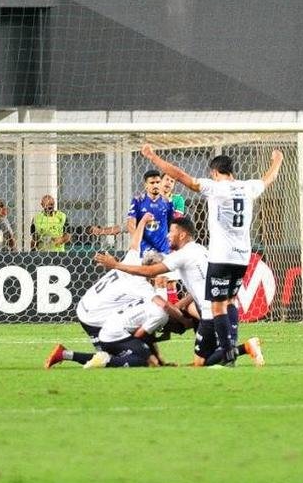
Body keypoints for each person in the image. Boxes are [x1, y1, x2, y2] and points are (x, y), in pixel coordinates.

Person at [141, 144, 283, 366]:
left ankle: (228, 353)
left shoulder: (216, 188)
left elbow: (180, 175)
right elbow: (269, 178)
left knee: (217, 306)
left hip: (221, 256)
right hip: (242, 257)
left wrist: (153, 156)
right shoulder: (249, 187)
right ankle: (231, 351)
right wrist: (278, 159)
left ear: (215, 172)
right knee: (229, 301)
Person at [95, 216, 265, 367]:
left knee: (203, 363)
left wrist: (116, 265)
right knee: (210, 359)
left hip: (212, 314)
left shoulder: (183, 255)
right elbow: (199, 286)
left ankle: (246, 346)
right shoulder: (200, 251)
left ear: (182, 235)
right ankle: (240, 348)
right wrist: (182, 305)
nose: (167, 235)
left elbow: (151, 271)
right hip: (225, 308)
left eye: (171, 231)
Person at [45, 212, 164, 368]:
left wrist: (142, 221)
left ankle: (64, 354)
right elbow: (163, 307)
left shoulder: (133, 260)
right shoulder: (142, 287)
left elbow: (135, 242)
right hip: (94, 318)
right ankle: (97, 358)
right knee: (130, 358)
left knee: (133, 334)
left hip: (86, 306)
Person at [127, 169, 173, 256]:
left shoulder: (167, 202)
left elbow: (171, 224)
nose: (155, 185)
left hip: (163, 250)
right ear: (146, 185)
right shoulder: (138, 200)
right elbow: (130, 224)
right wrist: (137, 243)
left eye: (158, 182)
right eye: (152, 183)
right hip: (143, 250)